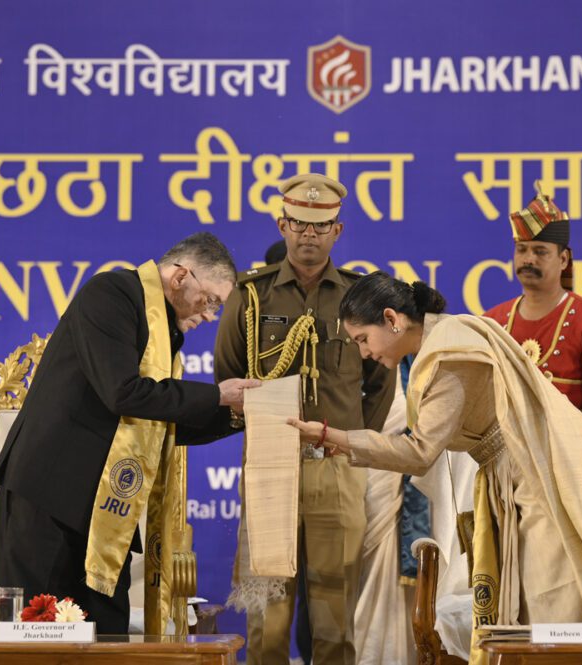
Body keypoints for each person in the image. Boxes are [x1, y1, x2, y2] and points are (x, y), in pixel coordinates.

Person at [289, 272, 582, 665]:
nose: (364, 353)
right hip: (517, 470)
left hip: (538, 474)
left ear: (392, 319)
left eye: (363, 339)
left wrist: (332, 436)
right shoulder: (446, 338)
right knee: (532, 603)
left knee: (553, 599)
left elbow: (419, 453)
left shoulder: (449, 352)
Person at [0, 232, 260, 633]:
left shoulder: (164, 333)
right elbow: (123, 393)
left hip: (100, 507)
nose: (210, 316)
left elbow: (160, 423)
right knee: (38, 636)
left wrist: (241, 415)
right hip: (47, 497)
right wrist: (219, 395)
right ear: (181, 277)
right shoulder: (111, 295)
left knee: (108, 635)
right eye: (211, 301)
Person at [214, 173, 395, 665]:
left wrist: (354, 441)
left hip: (337, 469)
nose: (309, 234)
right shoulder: (251, 296)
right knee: (267, 622)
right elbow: (229, 377)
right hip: (270, 469)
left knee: (336, 619)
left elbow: (381, 379)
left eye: (320, 225)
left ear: (338, 231)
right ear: (282, 225)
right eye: (298, 223)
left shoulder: (361, 297)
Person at [483, 182, 582, 448]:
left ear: (563, 260)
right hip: (506, 460)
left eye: (540, 252)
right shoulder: (491, 321)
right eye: (522, 249)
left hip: (571, 459)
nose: (528, 259)